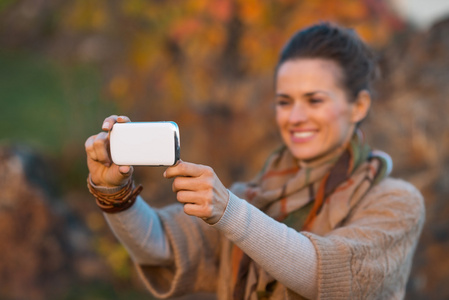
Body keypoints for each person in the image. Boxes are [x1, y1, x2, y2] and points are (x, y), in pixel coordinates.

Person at [85, 22, 425, 300]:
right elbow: (160, 245)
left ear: (359, 106)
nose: (296, 117)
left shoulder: (397, 203)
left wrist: (230, 213)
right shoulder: (255, 195)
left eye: (314, 100)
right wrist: (114, 191)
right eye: (284, 101)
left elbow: (327, 276)